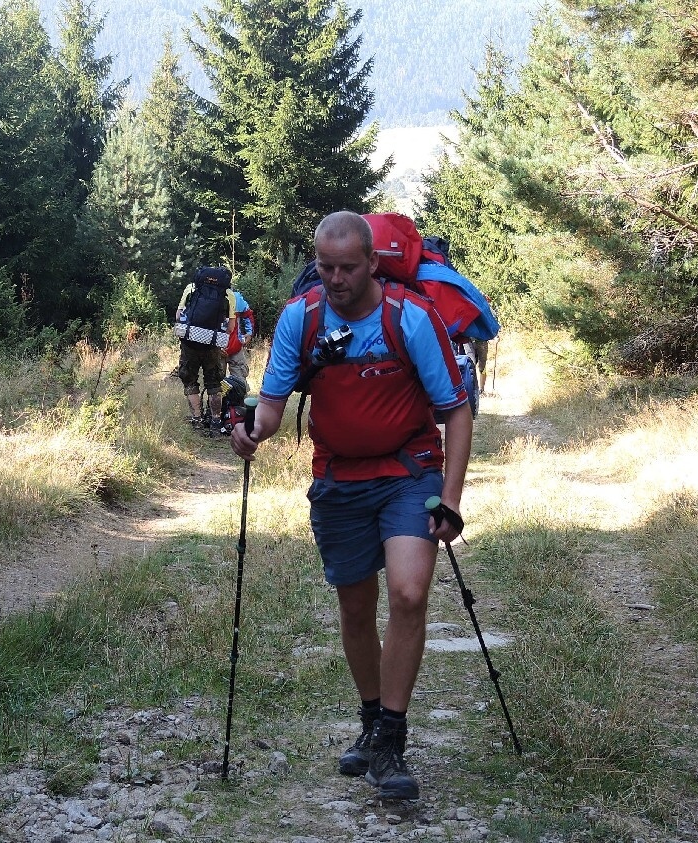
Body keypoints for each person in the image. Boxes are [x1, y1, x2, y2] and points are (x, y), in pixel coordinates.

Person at [231, 211, 472, 800]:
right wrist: (251, 431)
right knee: (356, 607)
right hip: (337, 478)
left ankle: (391, 739)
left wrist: (450, 498)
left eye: (346, 268)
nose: (335, 279)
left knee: (410, 594)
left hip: (409, 471)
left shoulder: (410, 319)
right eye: (324, 266)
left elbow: (456, 410)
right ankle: (370, 723)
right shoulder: (301, 319)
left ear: (371, 264)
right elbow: (273, 404)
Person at [174, 266, 235, 428]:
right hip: (213, 345)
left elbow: (179, 315)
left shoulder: (191, 288)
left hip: (189, 343)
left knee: (190, 380)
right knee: (214, 383)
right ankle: (215, 421)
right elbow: (230, 326)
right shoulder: (228, 294)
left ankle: (197, 419)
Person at [225, 284, 255, 382]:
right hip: (235, 345)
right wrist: (249, 333)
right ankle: (241, 396)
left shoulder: (207, 297)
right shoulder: (236, 297)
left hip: (216, 346)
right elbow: (248, 315)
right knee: (240, 377)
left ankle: (216, 397)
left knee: (215, 383)